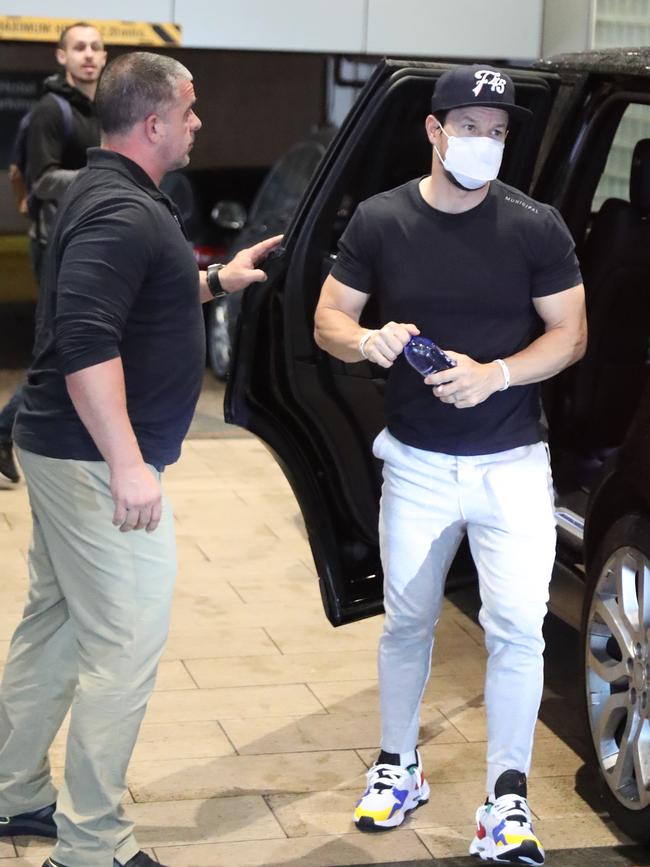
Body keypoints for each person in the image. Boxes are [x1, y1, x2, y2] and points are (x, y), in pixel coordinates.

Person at [0, 51, 281, 867]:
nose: (198, 123)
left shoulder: (113, 194)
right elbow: (87, 339)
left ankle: (16, 791)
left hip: (64, 449)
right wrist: (127, 462)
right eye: (189, 111)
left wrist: (217, 280)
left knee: (54, 625)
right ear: (153, 122)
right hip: (92, 461)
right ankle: (90, 845)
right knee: (122, 646)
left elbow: (134, 298)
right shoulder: (123, 211)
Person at [314, 64, 587, 865]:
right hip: (420, 466)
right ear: (435, 132)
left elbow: (570, 334)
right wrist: (367, 340)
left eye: (498, 132)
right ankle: (398, 765)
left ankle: (507, 799)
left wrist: (496, 374)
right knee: (406, 621)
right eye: (470, 127)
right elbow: (330, 314)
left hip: (512, 465)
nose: (485, 144)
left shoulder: (535, 226)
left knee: (517, 630)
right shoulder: (381, 220)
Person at [0, 21, 106, 486]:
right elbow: (42, 178)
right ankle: (6, 428)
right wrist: (104, 176)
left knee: (74, 348)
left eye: (96, 47)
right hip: (55, 243)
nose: (88, 54)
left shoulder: (106, 106)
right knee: (59, 351)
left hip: (89, 238)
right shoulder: (51, 109)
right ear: (61, 57)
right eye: (78, 47)